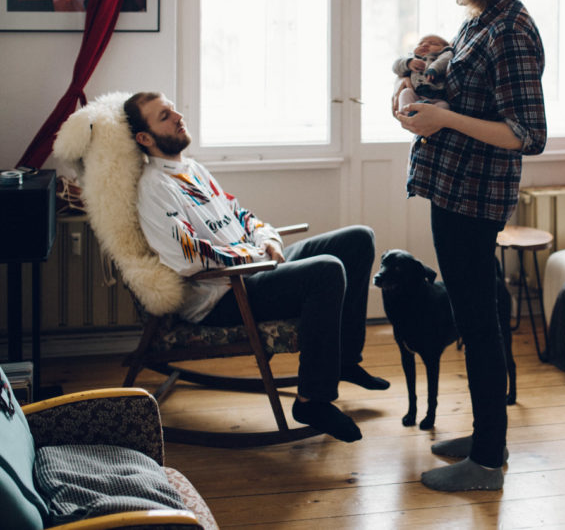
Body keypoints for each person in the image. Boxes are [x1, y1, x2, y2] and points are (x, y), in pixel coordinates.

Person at [124, 92, 389, 443]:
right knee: (327, 270)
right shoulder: (154, 188)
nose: (177, 116)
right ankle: (314, 399)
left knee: (358, 239)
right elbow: (187, 256)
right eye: (163, 116)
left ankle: (344, 359)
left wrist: (269, 239)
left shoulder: (192, 169)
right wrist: (251, 257)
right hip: (223, 293)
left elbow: (239, 214)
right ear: (144, 137)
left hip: (254, 269)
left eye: (173, 109)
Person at [394, 0, 546, 491]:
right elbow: (464, 92)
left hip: (474, 199)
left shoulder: (512, 31)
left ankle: (486, 462)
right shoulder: (481, 23)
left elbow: (528, 132)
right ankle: (489, 441)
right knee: (473, 318)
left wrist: (444, 118)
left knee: (478, 324)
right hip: (454, 189)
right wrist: (426, 80)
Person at [392, 33, 453, 112]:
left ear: (445, 48)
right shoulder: (412, 58)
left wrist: (434, 68)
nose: (425, 45)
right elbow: (395, 66)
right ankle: (408, 113)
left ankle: (429, 118)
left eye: (433, 43)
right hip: (416, 95)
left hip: (437, 98)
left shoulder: (443, 55)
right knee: (405, 93)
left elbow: (445, 59)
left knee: (444, 105)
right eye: (420, 43)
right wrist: (408, 63)